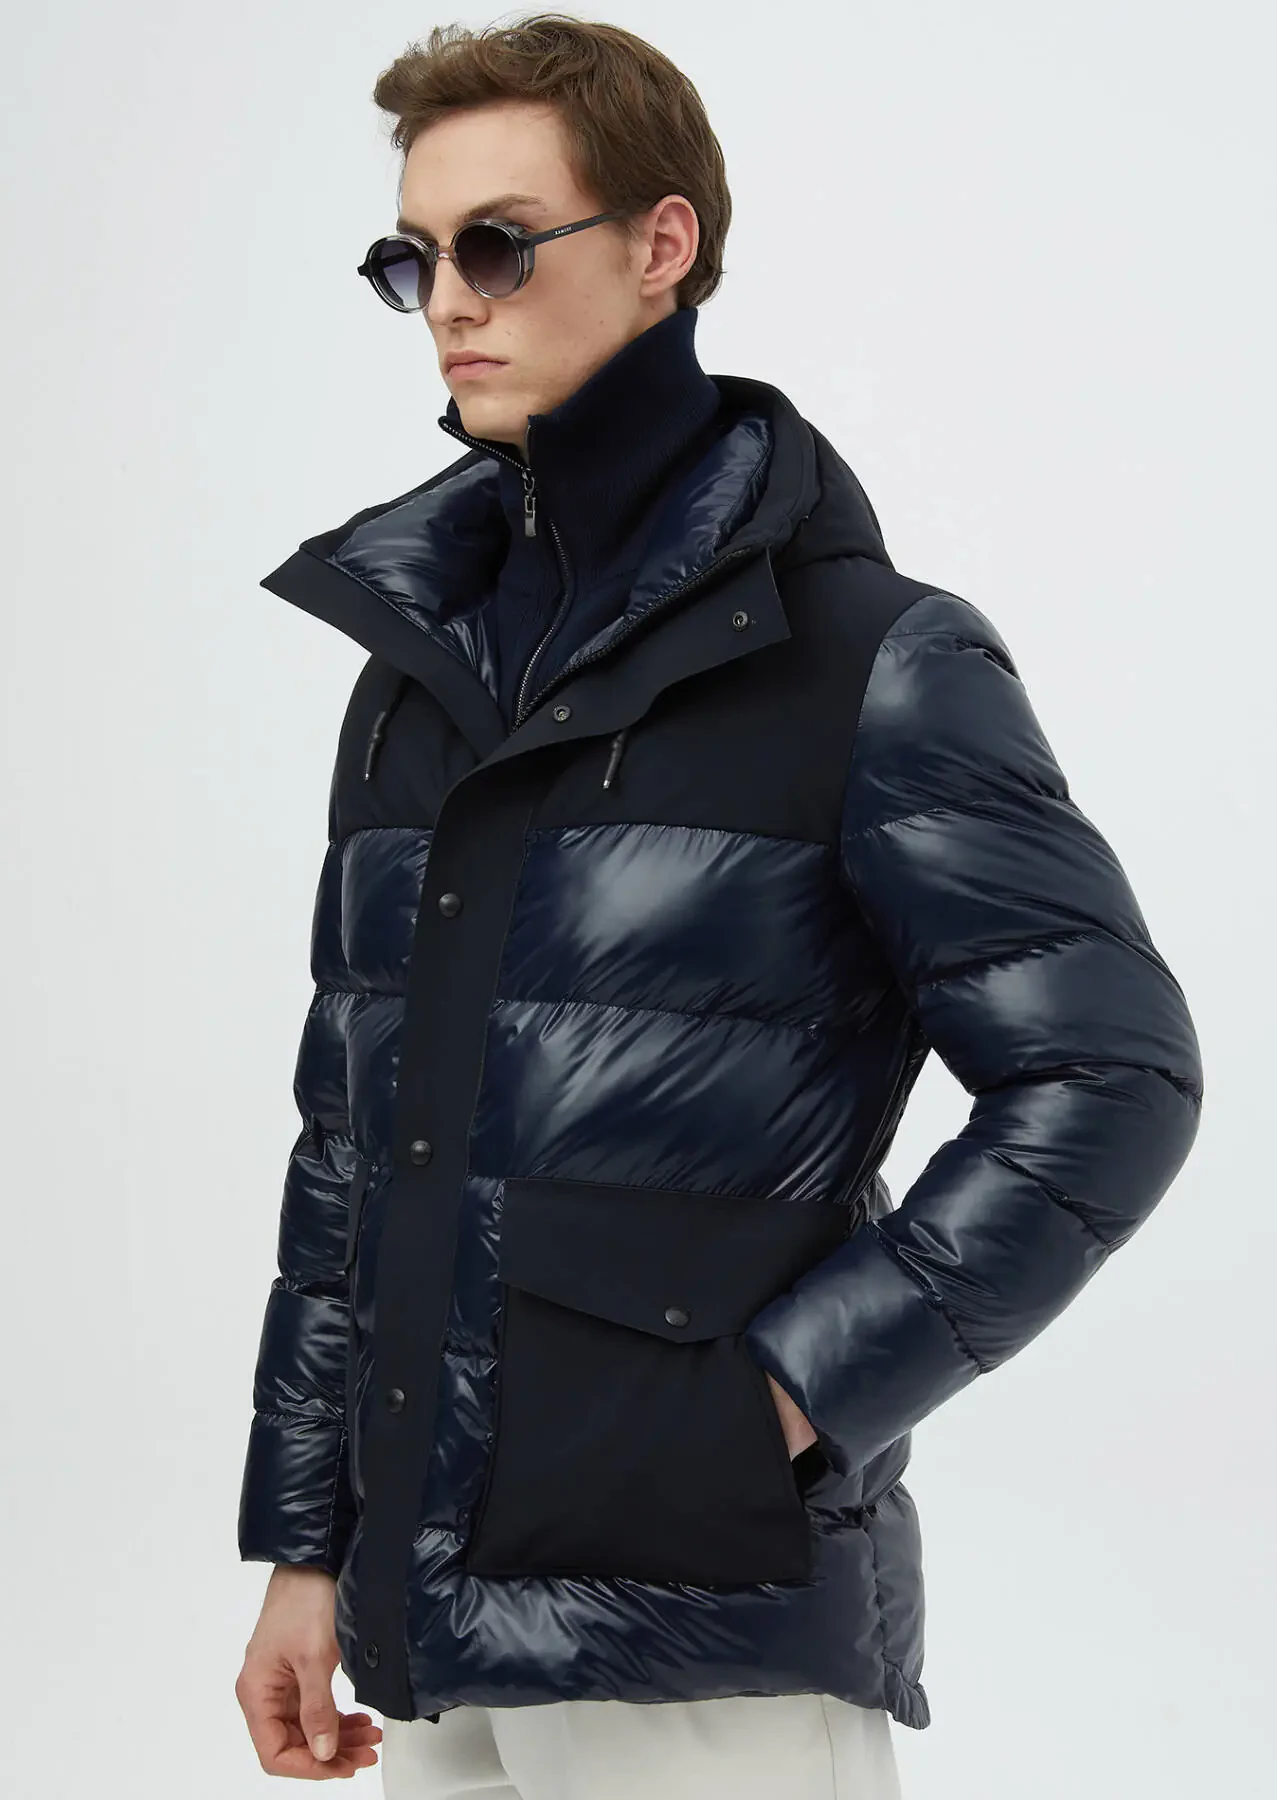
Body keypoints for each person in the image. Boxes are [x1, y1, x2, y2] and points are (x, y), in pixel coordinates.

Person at [233, 14, 1204, 1797]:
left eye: (497, 245)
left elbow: (1111, 1080)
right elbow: (349, 1147)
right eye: (413, 257)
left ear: (662, 245)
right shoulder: (416, 676)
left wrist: (774, 1406)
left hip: (706, 1616)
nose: (448, 302)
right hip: (427, 1628)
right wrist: (305, 1547)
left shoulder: (868, 661)